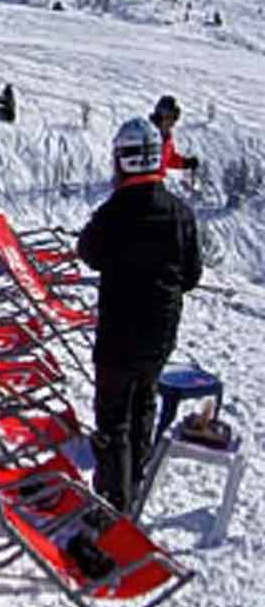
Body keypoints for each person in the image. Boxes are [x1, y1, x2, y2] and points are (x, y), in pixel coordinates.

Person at [78, 117, 203, 511]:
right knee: (144, 403)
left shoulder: (113, 212)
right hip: (160, 332)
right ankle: (134, 480)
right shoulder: (180, 212)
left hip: (118, 332)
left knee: (113, 415)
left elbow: (88, 253)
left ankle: (115, 502)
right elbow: (192, 274)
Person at [149, 96, 199, 177]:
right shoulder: (147, 132)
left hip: (156, 183)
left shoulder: (167, 135)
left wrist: (185, 163)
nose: (172, 122)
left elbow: (169, 159)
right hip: (143, 184)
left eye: (175, 117)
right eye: (168, 116)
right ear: (160, 114)